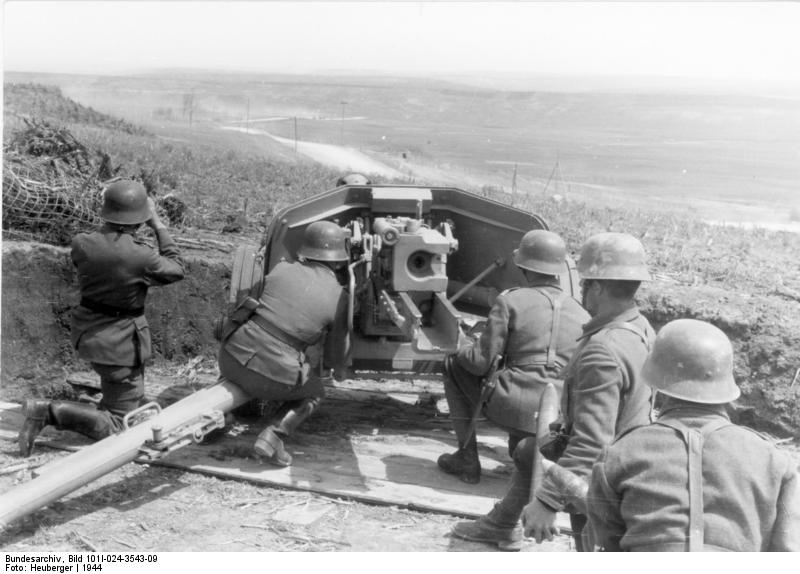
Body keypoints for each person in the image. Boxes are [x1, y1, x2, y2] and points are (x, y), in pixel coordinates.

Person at [587, 319, 800, 551]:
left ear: (656, 383)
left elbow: (607, 541)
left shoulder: (620, 453)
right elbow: (788, 550)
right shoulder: (773, 461)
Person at [438, 230, 590, 550]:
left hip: (515, 405)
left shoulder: (511, 300)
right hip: (559, 413)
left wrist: (460, 345)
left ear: (523, 267)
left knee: (454, 366)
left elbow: (480, 362)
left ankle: (467, 459)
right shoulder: (583, 312)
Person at [19, 180, 185, 455]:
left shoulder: (82, 243)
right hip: (120, 346)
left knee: (124, 396)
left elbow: (104, 248)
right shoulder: (140, 256)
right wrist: (158, 225)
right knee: (121, 425)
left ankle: (98, 406)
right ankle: (47, 412)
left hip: (91, 337)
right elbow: (177, 268)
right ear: (141, 218)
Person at [521, 232, 655, 551]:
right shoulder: (643, 330)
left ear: (596, 287)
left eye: (584, 284)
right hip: (634, 465)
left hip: (606, 480)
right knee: (528, 450)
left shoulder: (603, 350)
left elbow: (592, 441)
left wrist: (547, 501)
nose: (582, 291)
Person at [217, 220, 351, 467]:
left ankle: (220, 417)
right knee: (314, 393)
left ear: (306, 250)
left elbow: (247, 306)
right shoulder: (340, 297)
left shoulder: (281, 268)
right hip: (274, 379)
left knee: (245, 369)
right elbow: (335, 357)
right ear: (341, 259)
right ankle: (273, 436)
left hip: (229, 358)